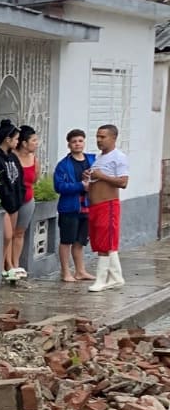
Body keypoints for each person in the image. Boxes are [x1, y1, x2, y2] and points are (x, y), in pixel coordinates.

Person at [87, 123, 129, 291]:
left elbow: (123, 182)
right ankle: (116, 278)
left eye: (103, 137)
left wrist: (101, 176)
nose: (99, 140)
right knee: (100, 242)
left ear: (113, 138)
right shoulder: (99, 158)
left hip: (108, 204)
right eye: (97, 136)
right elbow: (96, 179)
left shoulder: (119, 157)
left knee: (105, 242)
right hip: (95, 205)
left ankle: (101, 280)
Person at [53, 128, 95, 283]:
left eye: (80, 141)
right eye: (74, 142)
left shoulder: (92, 160)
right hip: (69, 207)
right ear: (69, 145)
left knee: (80, 241)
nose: (77, 144)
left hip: (87, 206)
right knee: (66, 241)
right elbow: (59, 187)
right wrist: (80, 186)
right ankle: (65, 272)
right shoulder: (63, 165)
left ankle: (80, 271)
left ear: (84, 142)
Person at [0, 119, 25, 281]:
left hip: (15, 200)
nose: (18, 142)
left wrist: (19, 196)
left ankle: (9, 264)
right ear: (7, 139)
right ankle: (0, 265)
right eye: (16, 139)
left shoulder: (12, 156)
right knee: (7, 235)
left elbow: (19, 177)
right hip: (2, 201)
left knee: (11, 236)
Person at [14, 125, 40, 272]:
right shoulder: (12, 157)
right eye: (34, 140)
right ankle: (7, 263)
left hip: (28, 199)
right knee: (8, 234)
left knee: (20, 233)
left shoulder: (34, 159)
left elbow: (35, 179)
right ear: (24, 143)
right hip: (12, 199)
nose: (36, 143)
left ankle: (15, 264)